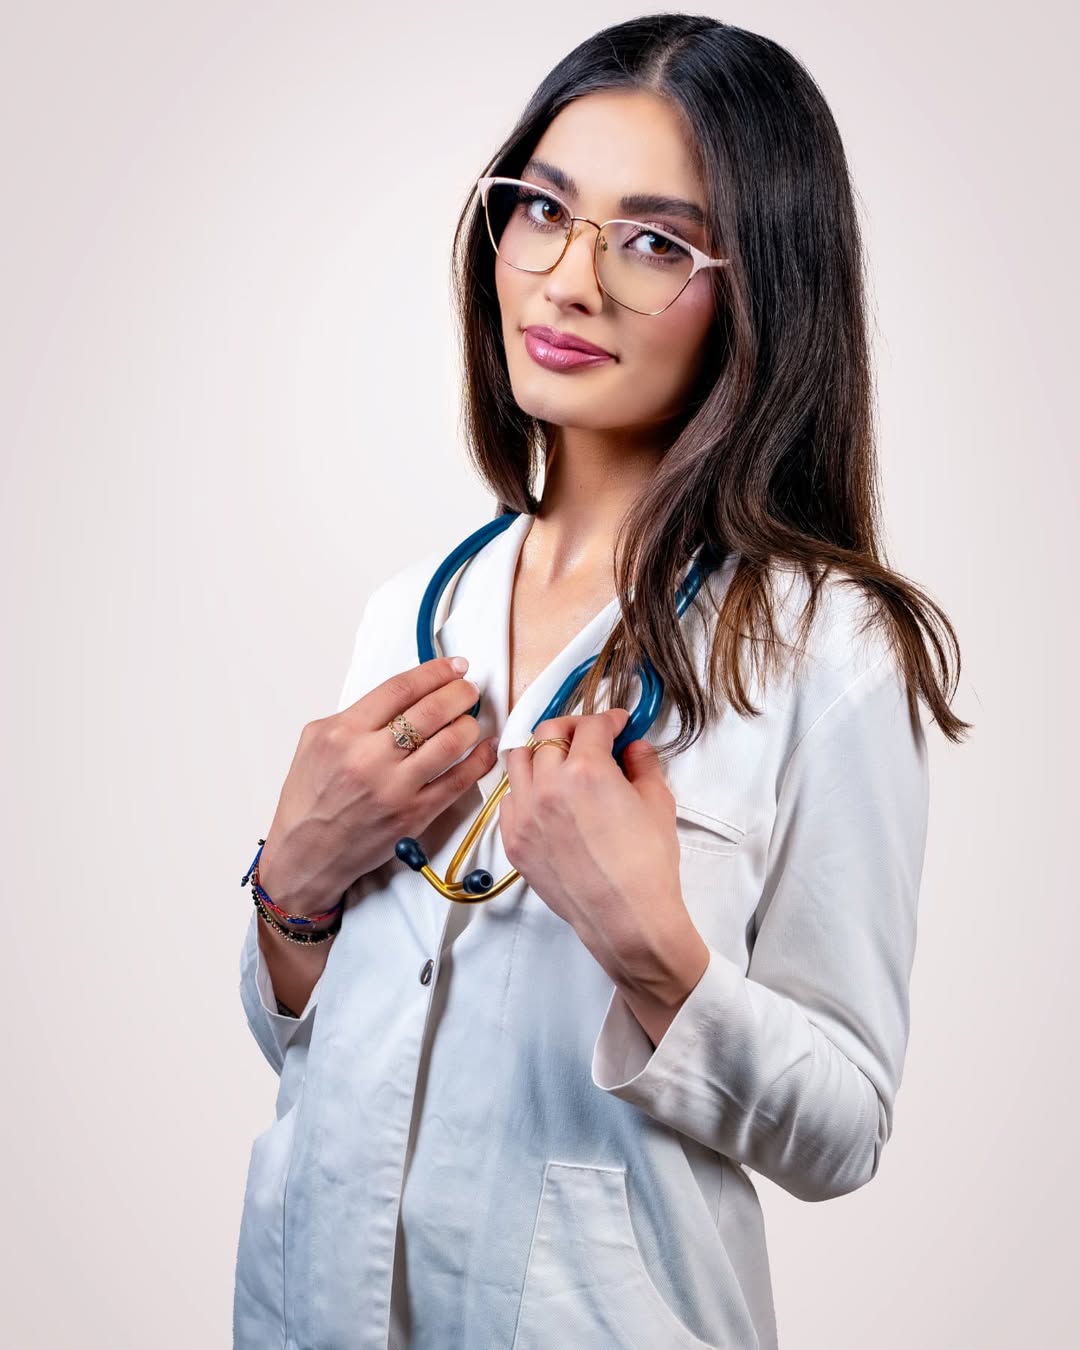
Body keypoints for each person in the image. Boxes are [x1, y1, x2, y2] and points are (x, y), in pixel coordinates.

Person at [232, 13, 968, 1349]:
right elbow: (311, 1041)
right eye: (543, 211)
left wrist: (652, 951)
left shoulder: (829, 647)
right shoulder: (414, 608)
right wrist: (292, 885)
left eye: (654, 243)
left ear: (761, 292)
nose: (569, 281)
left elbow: (845, 1129)